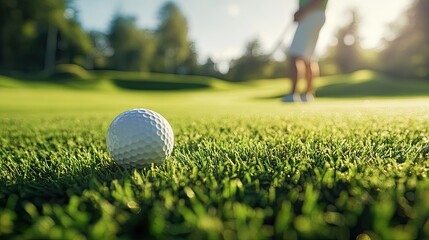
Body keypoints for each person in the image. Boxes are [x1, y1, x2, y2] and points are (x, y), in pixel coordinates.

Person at [283, 0, 328, 102]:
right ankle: (307, 95)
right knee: (308, 57)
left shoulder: (308, 11)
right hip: (315, 14)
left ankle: (293, 95)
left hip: (311, 13)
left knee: (294, 55)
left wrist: (302, 11)